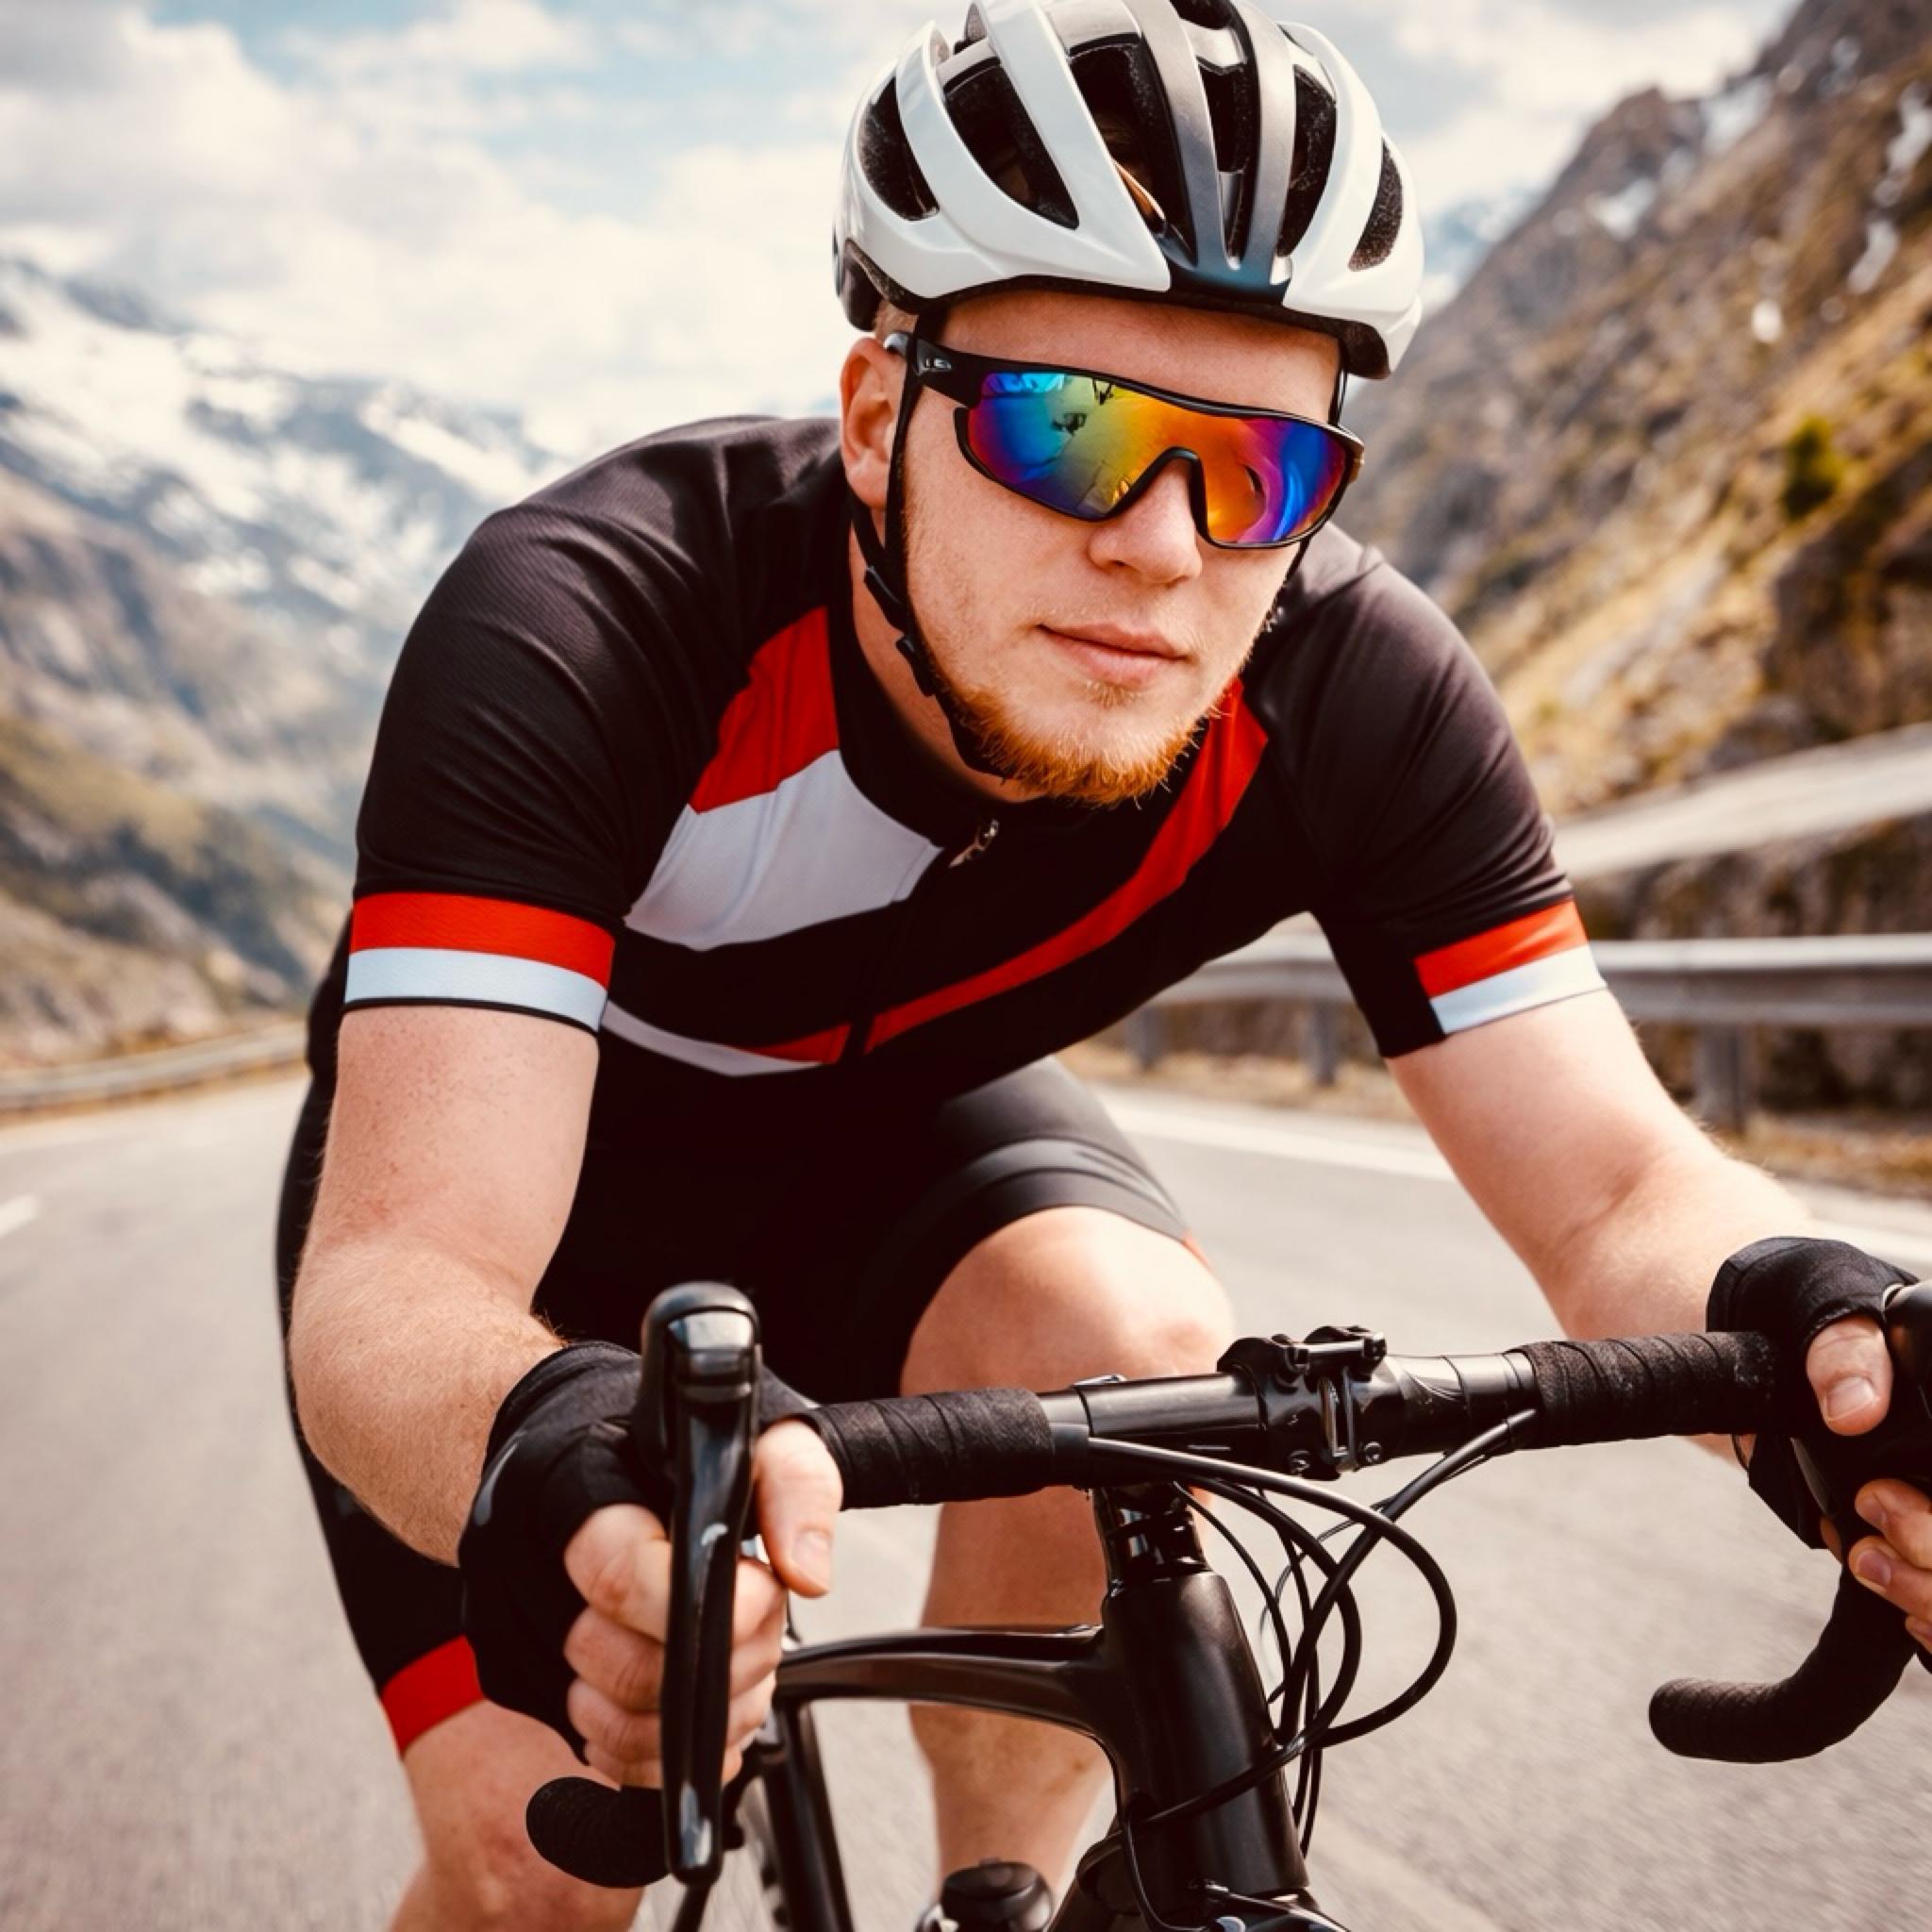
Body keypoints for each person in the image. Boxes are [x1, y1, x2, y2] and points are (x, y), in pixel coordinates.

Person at [279, 5, 1928, 1927]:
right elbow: (400, 1275)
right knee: (538, 1858)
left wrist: (1841, 1352)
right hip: (536, 1218)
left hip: (907, 1154)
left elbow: (1624, 1191)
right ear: (879, 417)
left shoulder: (1357, 696)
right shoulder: (590, 617)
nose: (1163, 548)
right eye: (1064, 427)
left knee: (1138, 1361)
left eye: (1256, 468)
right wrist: (547, 1449)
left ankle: (998, 1894)